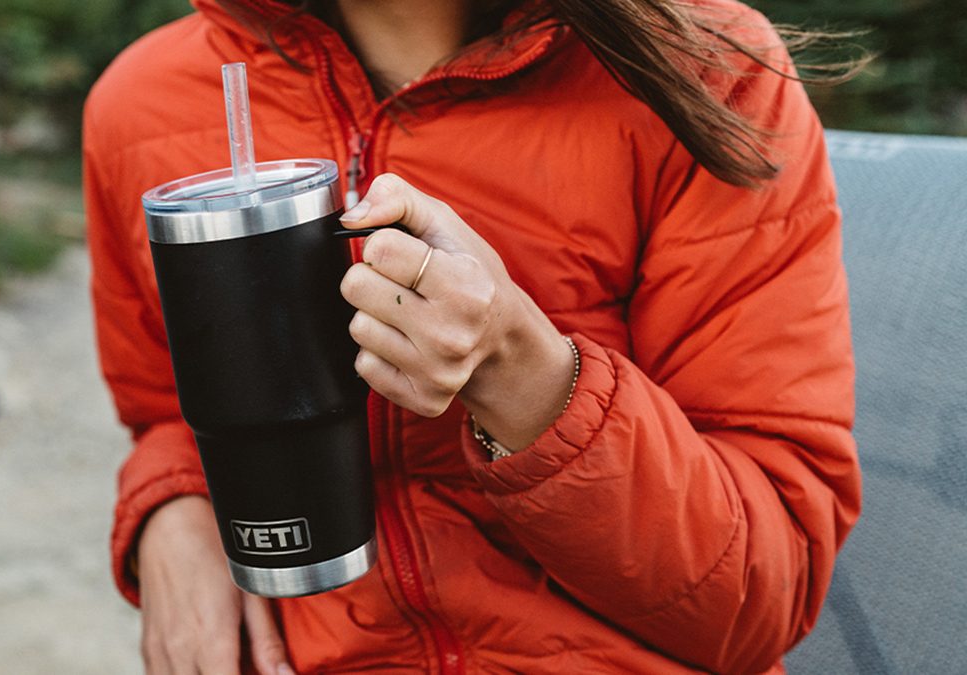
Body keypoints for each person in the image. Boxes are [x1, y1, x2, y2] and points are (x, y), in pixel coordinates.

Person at [84, 0, 862, 672]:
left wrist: (523, 370)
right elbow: (162, 410)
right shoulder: (142, 104)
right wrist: (171, 509)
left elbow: (764, 594)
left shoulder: (705, 70)